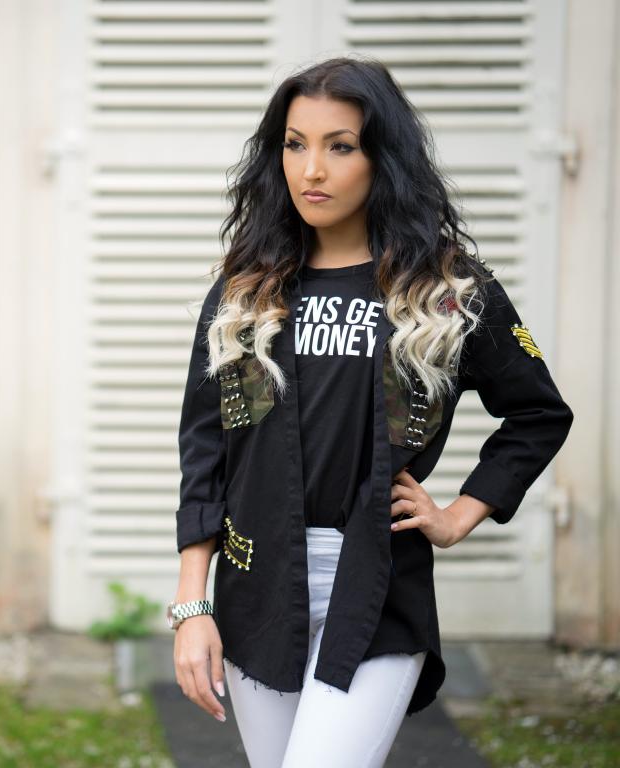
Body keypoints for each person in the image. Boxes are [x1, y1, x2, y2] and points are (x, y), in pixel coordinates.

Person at [167, 55, 574, 768]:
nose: (312, 170)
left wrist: (460, 514)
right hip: (259, 586)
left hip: (377, 586)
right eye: (295, 144)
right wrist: (191, 606)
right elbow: (206, 448)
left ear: (383, 159)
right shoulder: (248, 290)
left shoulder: (445, 291)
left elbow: (539, 413)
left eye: (340, 146)